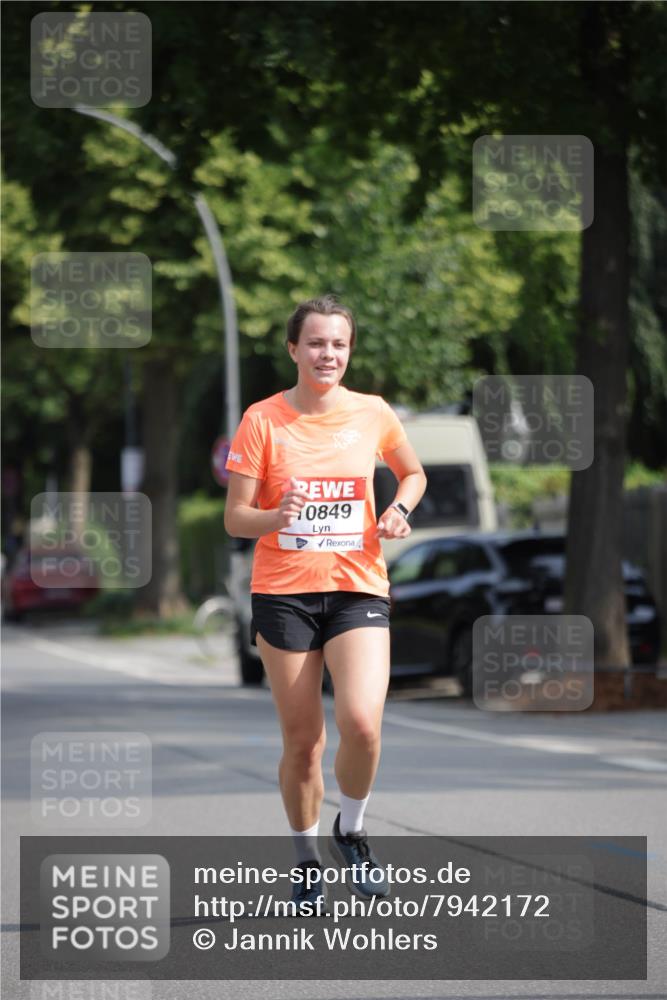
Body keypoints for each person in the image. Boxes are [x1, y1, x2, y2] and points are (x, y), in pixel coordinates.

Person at [224, 295, 427, 912]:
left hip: (357, 585)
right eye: (315, 343)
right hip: (283, 593)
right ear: (293, 350)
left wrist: (397, 510)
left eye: (338, 344)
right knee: (304, 741)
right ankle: (307, 857)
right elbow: (236, 518)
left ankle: (354, 828)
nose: (327, 354)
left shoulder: (372, 412)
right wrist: (275, 514)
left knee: (363, 723)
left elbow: (412, 473)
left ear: (349, 351)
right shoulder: (262, 419)